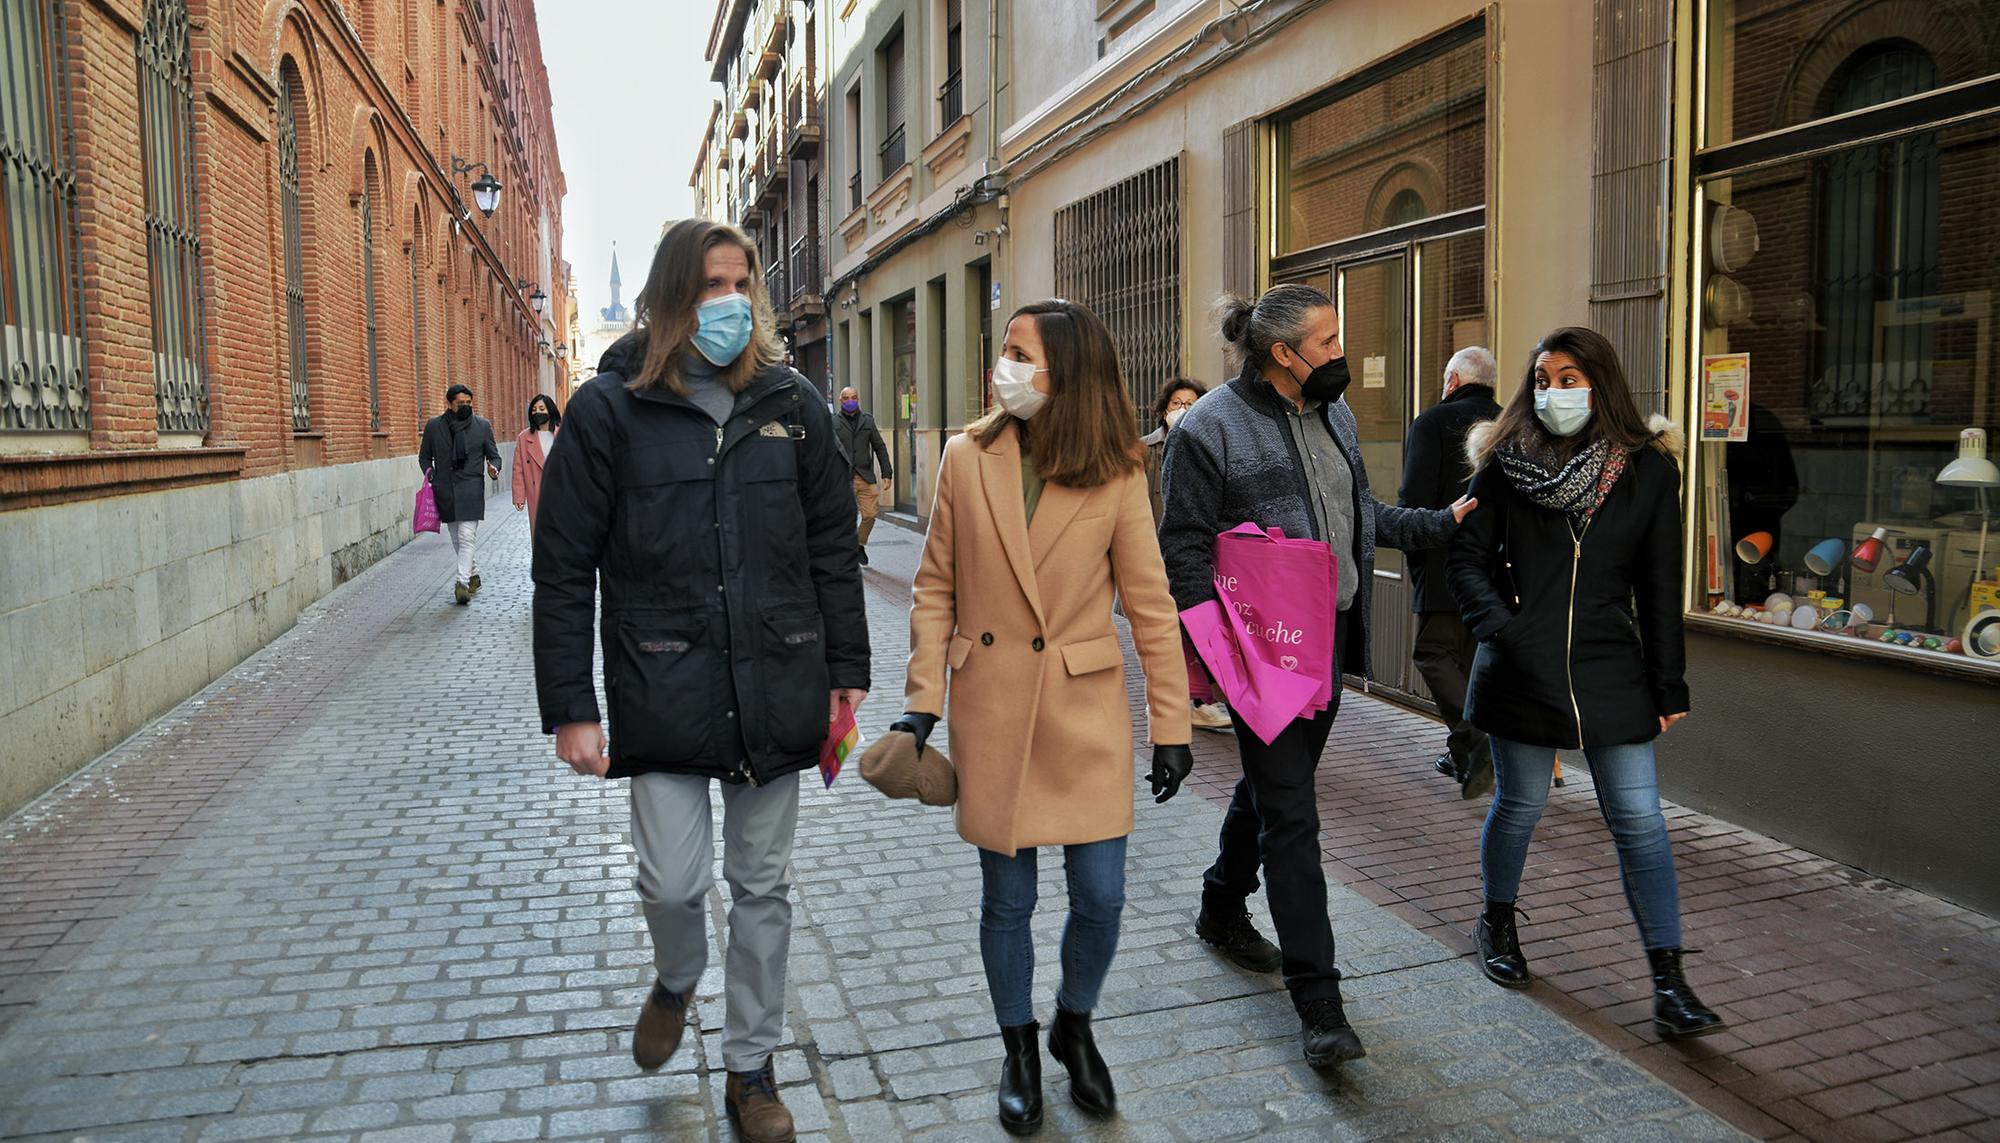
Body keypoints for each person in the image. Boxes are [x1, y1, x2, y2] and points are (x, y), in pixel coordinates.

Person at [532, 218, 870, 1143]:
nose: (728, 303)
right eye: (709, 285)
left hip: (777, 680)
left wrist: (847, 670)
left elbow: (834, 546)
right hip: (664, 683)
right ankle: (678, 976)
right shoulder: (609, 411)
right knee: (674, 883)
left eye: (741, 283)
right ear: (671, 297)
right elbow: (563, 563)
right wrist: (571, 704)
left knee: (762, 889)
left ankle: (751, 1068)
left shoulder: (791, 403)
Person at [894, 298, 1193, 1134]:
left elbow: (1152, 604)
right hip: (990, 704)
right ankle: (1019, 1045)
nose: (1005, 366)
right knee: (1007, 900)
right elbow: (934, 589)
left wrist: (1171, 724)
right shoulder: (966, 454)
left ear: (1065, 370)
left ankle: (1074, 1021)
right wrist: (920, 704)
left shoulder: (1119, 466)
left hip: (1082, 705)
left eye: (1021, 352)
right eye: (1005, 350)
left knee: (1102, 896)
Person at [1158, 285, 1471, 1066]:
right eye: (1328, 341)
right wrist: (1223, 663)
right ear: (1283, 354)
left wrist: (1442, 524)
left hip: (1325, 643)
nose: (1341, 352)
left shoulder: (1337, 417)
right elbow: (1184, 552)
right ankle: (1320, 1001)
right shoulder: (1207, 430)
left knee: (1273, 789)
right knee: (1294, 817)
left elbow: (1360, 514)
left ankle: (1221, 903)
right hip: (1258, 654)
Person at [1446, 325, 1724, 1040]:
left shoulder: (1649, 472)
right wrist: (1503, 628)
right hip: (1520, 668)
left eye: (1569, 378)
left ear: (1601, 383)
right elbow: (1466, 560)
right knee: (1522, 803)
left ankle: (1669, 980)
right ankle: (1497, 922)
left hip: (1611, 670)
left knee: (1639, 821)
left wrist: (1670, 686)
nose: (1553, 392)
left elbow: (1661, 587)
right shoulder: (1505, 467)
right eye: (1542, 379)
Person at [1399, 346, 1503, 797]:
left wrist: (1417, 557)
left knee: (1434, 653)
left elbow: (1415, 500)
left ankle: (1480, 740)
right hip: (1498, 565)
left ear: (1453, 381)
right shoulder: (1510, 422)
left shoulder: (1433, 422)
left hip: (1446, 560)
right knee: (1469, 659)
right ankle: (1463, 753)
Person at [1142, 378, 1234, 735]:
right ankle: (1188, 701)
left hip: (1191, 556)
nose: (1183, 410)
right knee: (1168, 632)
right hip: (1153, 557)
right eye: (1176, 404)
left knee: (1188, 627)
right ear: (1163, 411)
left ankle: (1196, 700)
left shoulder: (1208, 449)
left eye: (1192, 403)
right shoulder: (1143, 452)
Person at [419, 383, 500, 605]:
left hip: (471, 488)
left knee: (466, 536)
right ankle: (473, 573)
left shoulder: (482, 426)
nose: (464, 406)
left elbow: (494, 455)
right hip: (445, 489)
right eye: (460, 403)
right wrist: (432, 476)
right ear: (450, 404)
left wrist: (494, 468)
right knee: (457, 539)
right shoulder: (435, 426)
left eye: (468, 403)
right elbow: (424, 457)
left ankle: (461, 583)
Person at [834, 386, 893, 565]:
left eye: (853, 397)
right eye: (846, 398)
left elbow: (879, 447)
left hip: (865, 476)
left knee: (870, 514)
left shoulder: (867, 420)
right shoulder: (832, 422)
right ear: (840, 400)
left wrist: (886, 472)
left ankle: (859, 544)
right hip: (843, 478)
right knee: (846, 517)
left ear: (858, 399)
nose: (850, 401)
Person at [511, 393, 561, 532]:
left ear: (550, 410)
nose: (537, 412)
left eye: (541, 408)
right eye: (534, 410)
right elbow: (518, 469)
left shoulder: (563, 433)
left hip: (562, 491)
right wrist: (519, 496)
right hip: (537, 492)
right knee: (540, 533)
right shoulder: (524, 437)